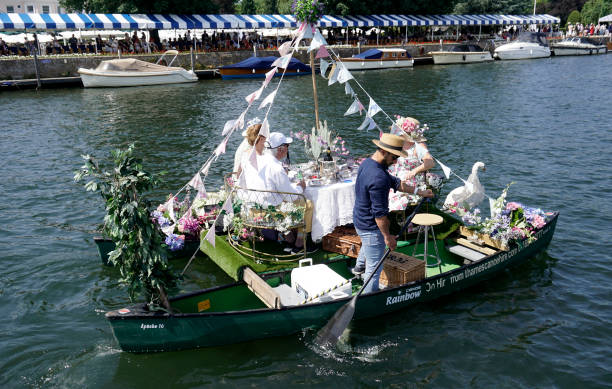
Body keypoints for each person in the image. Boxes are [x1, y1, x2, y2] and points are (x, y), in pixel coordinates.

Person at [353, 133, 433, 294]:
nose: (396, 161)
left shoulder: (369, 163)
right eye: (394, 157)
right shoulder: (378, 177)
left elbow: (395, 182)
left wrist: (419, 192)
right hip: (371, 226)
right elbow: (380, 216)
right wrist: (387, 237)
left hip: (359, 220)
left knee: (367, 245)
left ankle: (358, 268)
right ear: (384, 152)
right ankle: (367, 300)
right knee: (374, 270)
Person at [388, 116, 435, 211]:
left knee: (396, 195)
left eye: (400, 131)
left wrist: (414, 171)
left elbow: (430, 163)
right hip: (395, 174)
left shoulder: (419, 146)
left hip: (411, 180)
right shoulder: (399, 143)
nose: (397, 134)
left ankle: (395, 217)